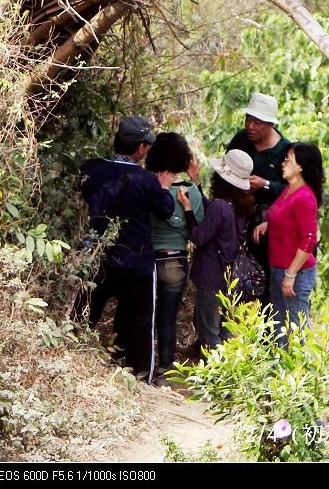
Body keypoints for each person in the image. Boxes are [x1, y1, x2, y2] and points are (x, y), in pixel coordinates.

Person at [79, 115, 176, 384]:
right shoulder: (145, 180)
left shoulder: (93, 169)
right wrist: (164, 188)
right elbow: (165, 209)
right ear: (141, 148)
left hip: (99, 256)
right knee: (141, 325)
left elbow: (88, 193)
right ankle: (141, 378)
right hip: (137, 261)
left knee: (85, 313)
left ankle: (68, 358)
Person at [179, 149, 255, 353]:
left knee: (208, 330)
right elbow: (213, 214)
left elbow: (198, 236)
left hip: (211, 275)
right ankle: (227, 367)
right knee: (223, 328)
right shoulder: (239, 205)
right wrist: (196, 183)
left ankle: (217, 374)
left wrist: (187, 209)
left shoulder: (220, 206)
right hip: (230, 276)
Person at [145, 132, 205, 374]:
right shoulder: (192, 192)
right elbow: (197, 227)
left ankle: (138, 361)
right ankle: (165, 366)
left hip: (147, 258)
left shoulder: (146, 185)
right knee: (167, 318)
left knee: (143, 314)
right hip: (175, 260)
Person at [252, 142, 323, 345]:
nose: (283, 163)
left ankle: (303, 375)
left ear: (301, 166)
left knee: (296, 329)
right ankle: (281, 373)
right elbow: (284, 216)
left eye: (287, 160)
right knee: (279, 327)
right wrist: (268, 224)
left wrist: (290, 274)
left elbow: (309, 238)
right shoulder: (290, 189)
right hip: (278, 269)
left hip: (296, 273)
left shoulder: (305, 197)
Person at [227, 92, 291, 305]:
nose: (251, 126)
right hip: (238, 220)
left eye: (257, 122)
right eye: (248, 120)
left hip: (270, 228)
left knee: (270, 286)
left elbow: (295, 192)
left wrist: (265, 184)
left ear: (271, 124)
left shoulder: (286, 151)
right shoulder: (240, 139)